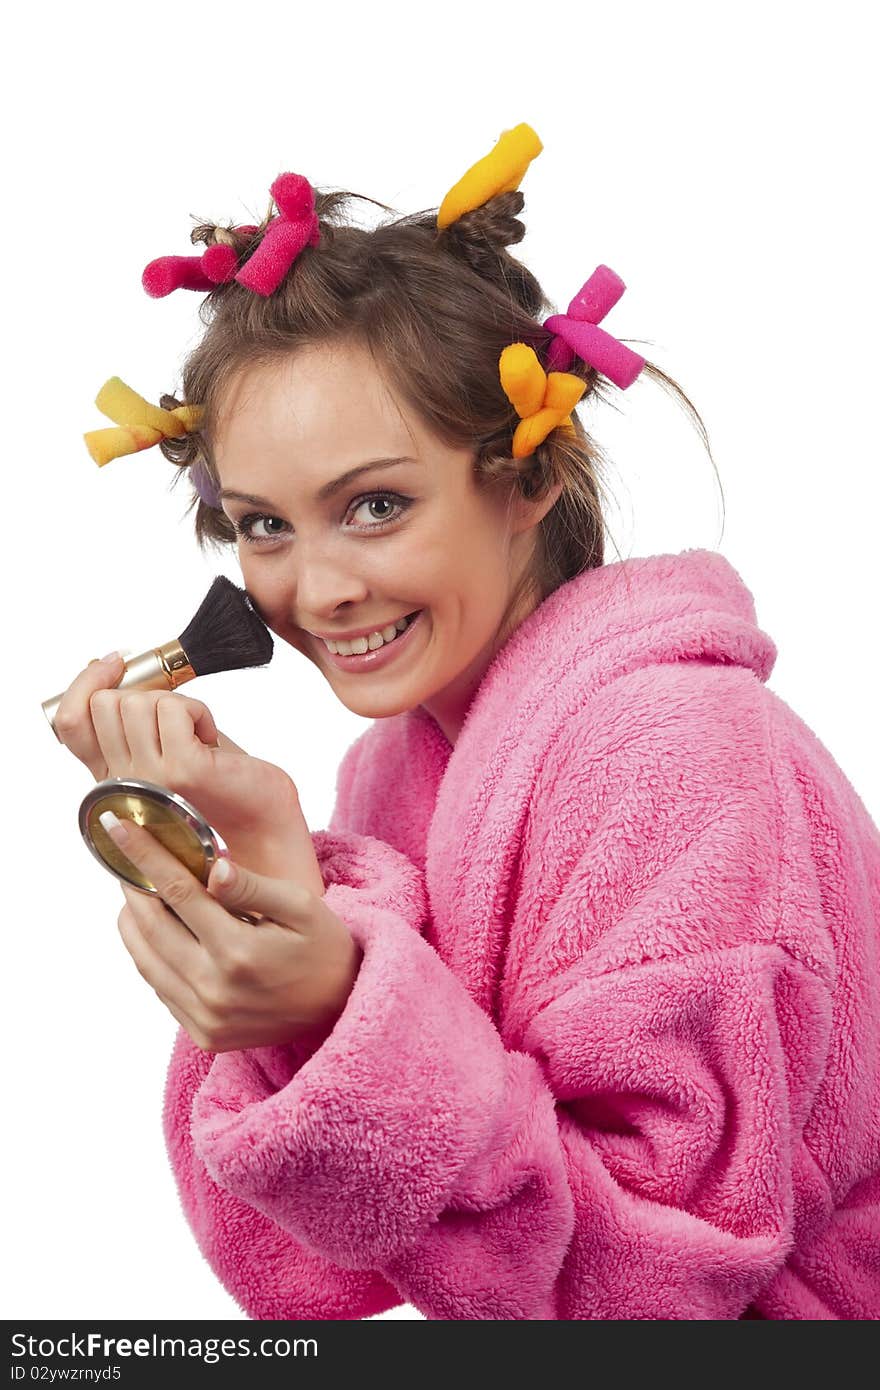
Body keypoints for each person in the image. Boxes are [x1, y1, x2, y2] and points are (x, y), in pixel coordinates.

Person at [56, 124, 878, 1319]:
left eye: (375, 504)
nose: (317, 589)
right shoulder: (391, 767)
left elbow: (664, 1292)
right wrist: (269, 864)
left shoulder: (682, 751)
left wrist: (342, 1009)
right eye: (265, 525)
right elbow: (297, 1273)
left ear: (530, 476)